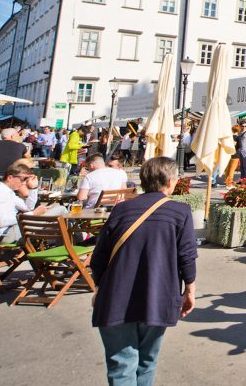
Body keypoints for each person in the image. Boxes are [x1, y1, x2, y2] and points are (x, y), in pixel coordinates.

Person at [90, 156, 197, 386]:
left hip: (115, 296)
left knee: (121, 367)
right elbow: (187, 255)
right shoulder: (180, 212)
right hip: (156, 296)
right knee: (147, 361)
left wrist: (99, 287)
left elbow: (99, 257)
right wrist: (190, 290)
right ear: (170, 181)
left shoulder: (121, 210)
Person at [0, 160, 56, 243]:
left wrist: (33, 188)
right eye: (23, 179)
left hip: (13, 230)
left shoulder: (8, 192)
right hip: (6, 235)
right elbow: (2, 221)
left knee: (56, 214)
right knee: (59, 212)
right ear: (10, 178)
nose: (24, 183)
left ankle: (58, 247)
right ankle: (65, 250)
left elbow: (28, 208)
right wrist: (33, 214)